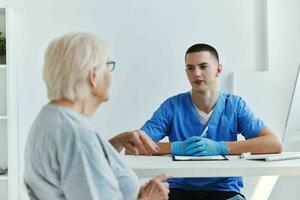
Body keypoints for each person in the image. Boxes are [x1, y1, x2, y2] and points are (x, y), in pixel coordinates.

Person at [24, 32, 171, 200]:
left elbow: (79, 167)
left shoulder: (50, 118)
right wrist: (147, 198)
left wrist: (115, 143)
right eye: (107, 66)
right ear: (92, 76)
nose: (110, 75)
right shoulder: (77, 137)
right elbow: (81, 153)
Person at [138, 43, 283, 200]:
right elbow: (135, 147)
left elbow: (274, 144)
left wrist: (221, 147)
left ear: (218, 70)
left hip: (225, 191)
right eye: (190, 68)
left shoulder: (234, 106)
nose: (197, 73)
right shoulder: (172, 107)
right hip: (179, 190)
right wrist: (175, 147)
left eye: (203, 66)